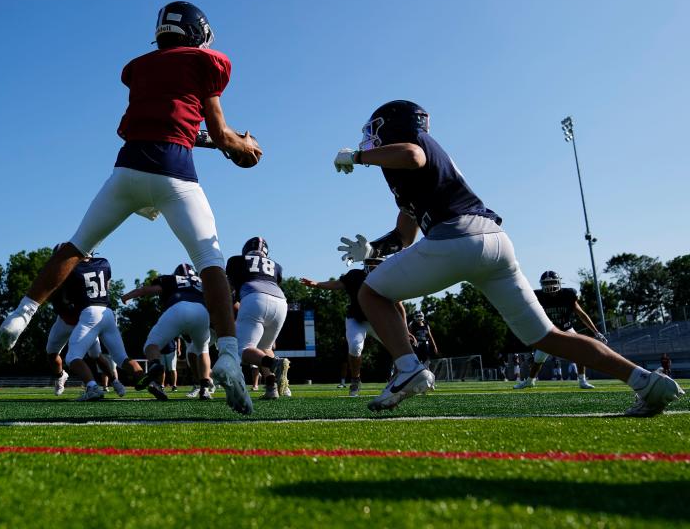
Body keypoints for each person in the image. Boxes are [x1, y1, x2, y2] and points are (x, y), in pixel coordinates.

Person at [0, 1, 261, 414]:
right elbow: (222, 134)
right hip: (175, 173)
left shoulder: (139, 67)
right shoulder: (207, 61)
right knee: (210, 261)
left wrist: (204, 138)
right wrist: (245, 147)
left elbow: (141, 125)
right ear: (197, 32)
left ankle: (20, 315)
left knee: (77, 246)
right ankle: (228, 353)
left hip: (128, 170)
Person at [333, 99, 684, 416]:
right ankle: (645, 381)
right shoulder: (414, 168)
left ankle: (408, 368)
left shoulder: (411, 149)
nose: (371, 139)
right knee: (547, 336)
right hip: (494, 243)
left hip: (458, 238)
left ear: (392, 125)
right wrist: (373, 251)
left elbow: (411, 155)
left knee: (371, 292)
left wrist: (358, 157)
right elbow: (406, 235)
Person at [42, 252, 142, 401]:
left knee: (92, 356)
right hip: (72, 320)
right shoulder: (102, 263)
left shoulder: (73, 272)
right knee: (52, 353)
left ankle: (110, 382)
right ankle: (61, 376)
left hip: (87, 320)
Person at [302, 257, 407, 397]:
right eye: (372, 262)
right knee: (355, 346)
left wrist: (404, 328)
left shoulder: (388, 278)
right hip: (357, 318)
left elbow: (399, 305)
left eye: (377, 262)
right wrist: (317, 284)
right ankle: (355, 380)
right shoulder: (355, 275)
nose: (375, 266)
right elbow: (337, 284)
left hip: (379, 320)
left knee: (401, 345)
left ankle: (402, 376)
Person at [122, 264, 214, 400]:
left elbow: (150, 290)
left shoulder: (171, 279)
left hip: (177, 308)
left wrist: (128, 296)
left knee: (152, 345)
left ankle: (154, 364)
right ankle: (205, 388)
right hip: (201, 311)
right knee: (203, 350)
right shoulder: (201, 281)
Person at [514, 271, 607, 390]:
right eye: (546, 283)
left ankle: (582, 381)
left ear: (559, 282)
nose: (549, 286)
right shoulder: (538, 296)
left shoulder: (567, 295)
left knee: (580, 351)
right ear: (541, 284)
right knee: (538, 359)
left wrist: (596, 332)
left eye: (552, 282)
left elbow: (582, 315)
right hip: (548, 331)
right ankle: (530, 381)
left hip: (566, 328)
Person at [227, 237, 290, 400]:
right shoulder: (276, 266)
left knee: (243, 350)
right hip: (281, 303)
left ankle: (275, 364)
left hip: (254, 298)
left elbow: (229, 292)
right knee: (264, 346)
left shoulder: (236, 261)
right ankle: (272, 387)